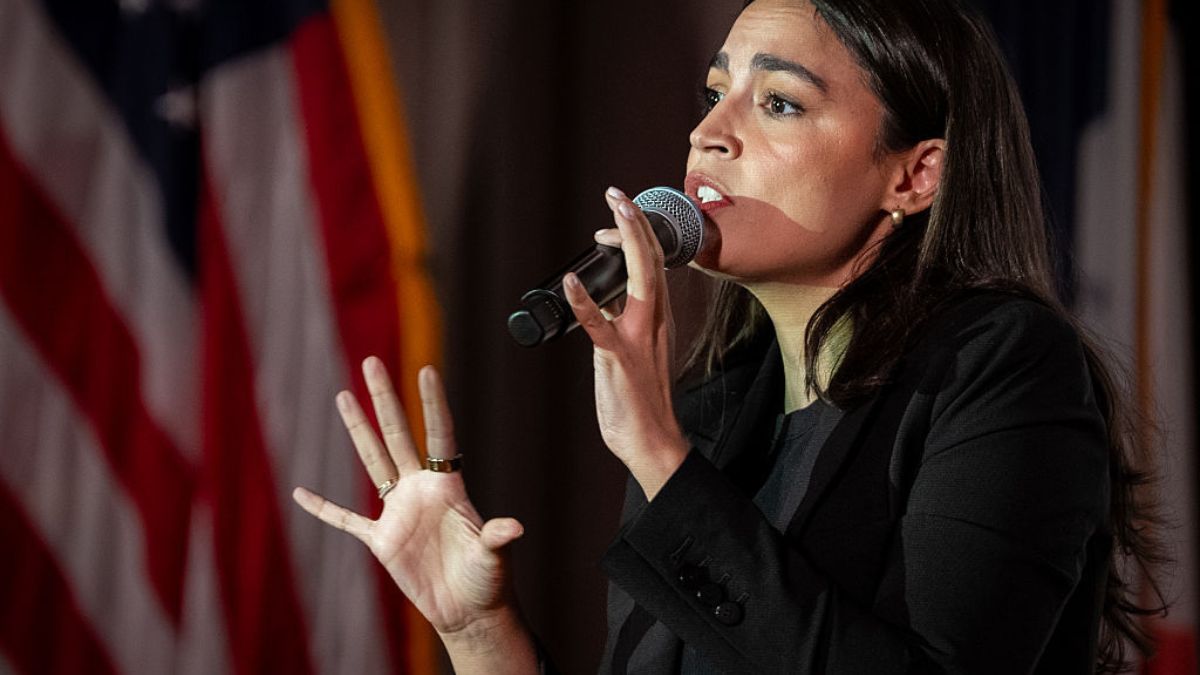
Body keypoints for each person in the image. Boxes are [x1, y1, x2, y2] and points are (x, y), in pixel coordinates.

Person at [292, 0, 1167, 672]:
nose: (708, 132)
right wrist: (478, 628)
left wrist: (661, 462)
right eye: (716, 94)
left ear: (915, 175)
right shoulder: (712, 415)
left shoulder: (1003, 365)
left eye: (778, 102)